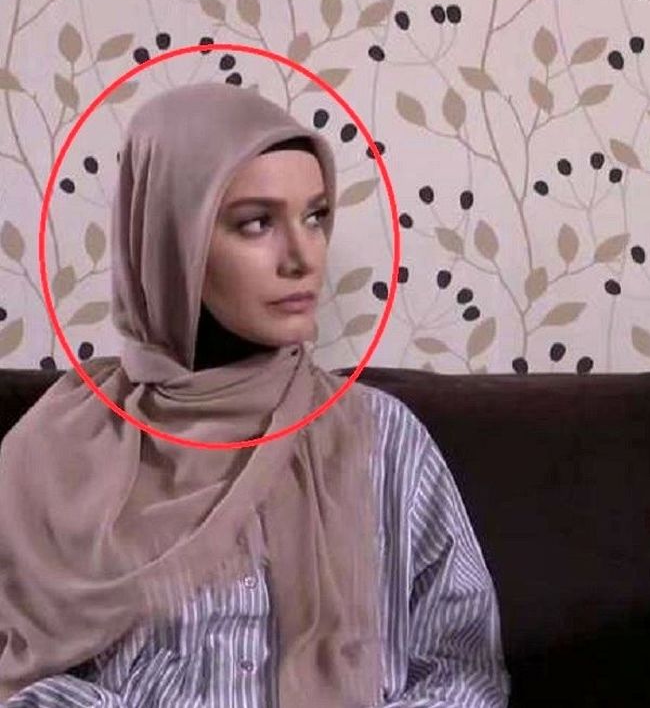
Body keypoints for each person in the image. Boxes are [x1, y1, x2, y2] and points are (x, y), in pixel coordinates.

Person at [0, 84, 509, 707]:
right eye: (257, 223)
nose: (302, 257)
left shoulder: (382, 438)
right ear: (170, 240)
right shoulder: (64, 447)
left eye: (315, 217)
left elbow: (465, 670)